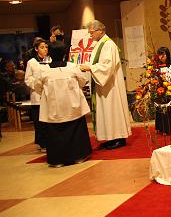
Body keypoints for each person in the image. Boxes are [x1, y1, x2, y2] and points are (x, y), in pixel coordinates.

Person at [37, 40, 92, 167]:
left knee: (55, 133)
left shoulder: (44, 70)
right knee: (76, 131)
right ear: (64, 53)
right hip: (73, 107)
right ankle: (78, 156)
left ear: (49, 53)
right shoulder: (72, 67)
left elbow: (37, 87)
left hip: (53, 108)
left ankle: (58, 160)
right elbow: (83, 81)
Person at [79, 20, 132, 150]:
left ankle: (119, 138)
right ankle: (109, 137)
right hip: (103, 85)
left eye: (91, 33)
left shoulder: (108, 44)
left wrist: (90, 67)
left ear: (100, 31)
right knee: (106, 111)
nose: (90, 35)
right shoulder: (100, 44)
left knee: (112, 110)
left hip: (110, 86)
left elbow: (107, 66)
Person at [24, 38, 52, 151]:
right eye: (42, 47)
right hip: (37, 94)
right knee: (39, 120)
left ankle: (50, 140)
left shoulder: (50, 60)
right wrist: (37, 85)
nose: (45, 49)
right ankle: (42, 142)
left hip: (49, 93)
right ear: (36, 49)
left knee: (48, 119)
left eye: (46, 47)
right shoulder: (31, 62)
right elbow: (27, 79)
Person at [155, 46, 171, 135]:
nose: (161, 57)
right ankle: (162, 128)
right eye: (159, 55)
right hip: (161, 90)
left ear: (167, 55)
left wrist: (170, 84)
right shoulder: (157, 68)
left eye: (163, 54)